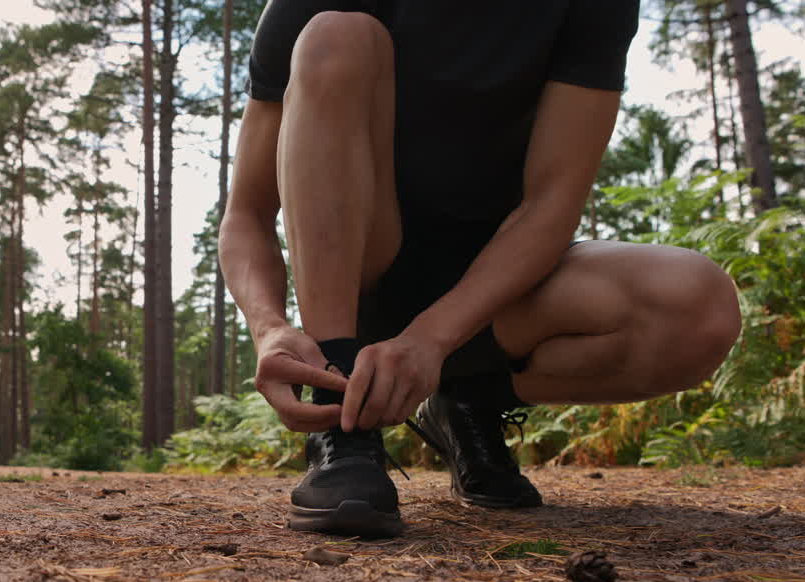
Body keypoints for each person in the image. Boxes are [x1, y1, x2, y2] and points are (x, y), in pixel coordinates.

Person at [218, 2, 743, 538]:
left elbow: (551, 207)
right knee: (338, 32)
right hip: (358, 276)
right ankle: (341, 410)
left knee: (695, 305)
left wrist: (432, 339)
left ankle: (469, 402)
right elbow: (248, 214)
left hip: (498, 290)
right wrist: (268, 327)